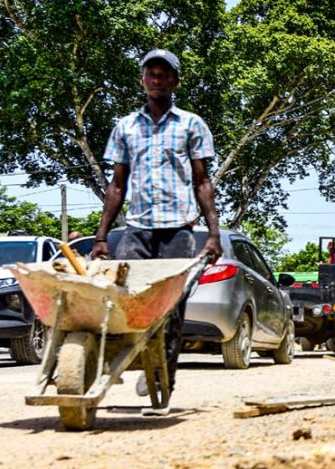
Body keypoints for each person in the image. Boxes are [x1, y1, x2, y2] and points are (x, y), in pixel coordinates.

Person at [91, 48, 222, 406]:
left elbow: (202, 181)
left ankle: (164, 371)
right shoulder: (126, 127)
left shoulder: (190, 124)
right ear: (142, 79)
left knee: (172, 305)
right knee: (126, 298)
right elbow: (117, 185)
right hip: (136, 228)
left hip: (178, 228)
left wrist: (213, 233)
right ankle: (124, 360)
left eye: (164, 74)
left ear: (174, 81)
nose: (157, 79)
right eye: (151, 73)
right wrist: (102, 236)